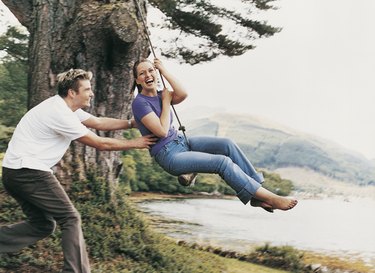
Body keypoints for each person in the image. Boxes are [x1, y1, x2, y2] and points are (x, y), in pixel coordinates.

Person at [0, 68, 156, 273]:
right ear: (72, 93)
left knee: (43, 225)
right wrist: (136, 143)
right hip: (29, 172)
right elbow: (100, 143)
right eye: (87, 89)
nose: (91, 93)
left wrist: (132, 123)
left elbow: (98, 122)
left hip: (15, 172)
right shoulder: (59, 113)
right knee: (70, 218)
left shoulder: (66, 107)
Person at [132, 58, 298, 213]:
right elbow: (161, 131)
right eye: (142, 73)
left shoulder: (162, 95)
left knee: (227, 144)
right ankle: (269, 198)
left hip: (181, 142)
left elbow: (183, 93)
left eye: (151, 70)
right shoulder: (140, 103)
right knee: (221, 163)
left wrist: (164, 70)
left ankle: (256, 193)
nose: (148, 75)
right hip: (169, 155)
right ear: (138, 80)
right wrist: (167, 102)